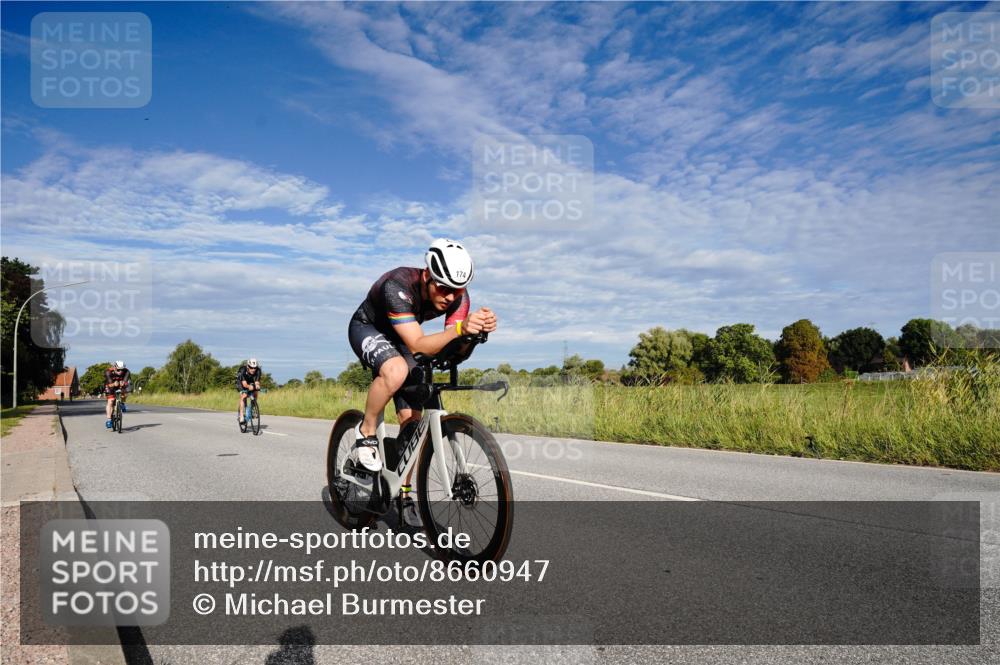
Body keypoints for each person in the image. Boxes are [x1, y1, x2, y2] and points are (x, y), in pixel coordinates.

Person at [348, 238, 497, 526]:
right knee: (395, 371)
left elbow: (452, 352)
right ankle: (366, 430)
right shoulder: (397, 285)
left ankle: (403, 493)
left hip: (404, 337)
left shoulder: (458, 296)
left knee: (412, 423)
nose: (450, 296)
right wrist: (461, 329)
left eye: (457, 290)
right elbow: (418, 343)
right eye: (443, 288)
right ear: (427, 275)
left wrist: (475, 334)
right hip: (369, 327)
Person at [104, 360, 131, 428]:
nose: (120, 371)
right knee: (111, 401)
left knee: (125, 389)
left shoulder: (127, 371)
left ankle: (122, 403)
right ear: (114, 367)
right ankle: (109, 420)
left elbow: (125, 381)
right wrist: (113, 384)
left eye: (122, 370)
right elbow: (110, 384)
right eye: (118, 370)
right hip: (110, 385)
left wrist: (124, 383)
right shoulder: (108, 372)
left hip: (120, 384)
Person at [236, 358, 262, 423]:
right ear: (248, 366)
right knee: (244, 395)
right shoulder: (243, 370)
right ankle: (241, 416)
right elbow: (244, 384)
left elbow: (256, 381)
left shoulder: (258, 370)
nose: (253, 369)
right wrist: (249, 387)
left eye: (255, 368)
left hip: (250, 380)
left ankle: (252, 409)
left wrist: (257, 386)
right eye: (251, 367)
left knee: (255, 392)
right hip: (241, 382)